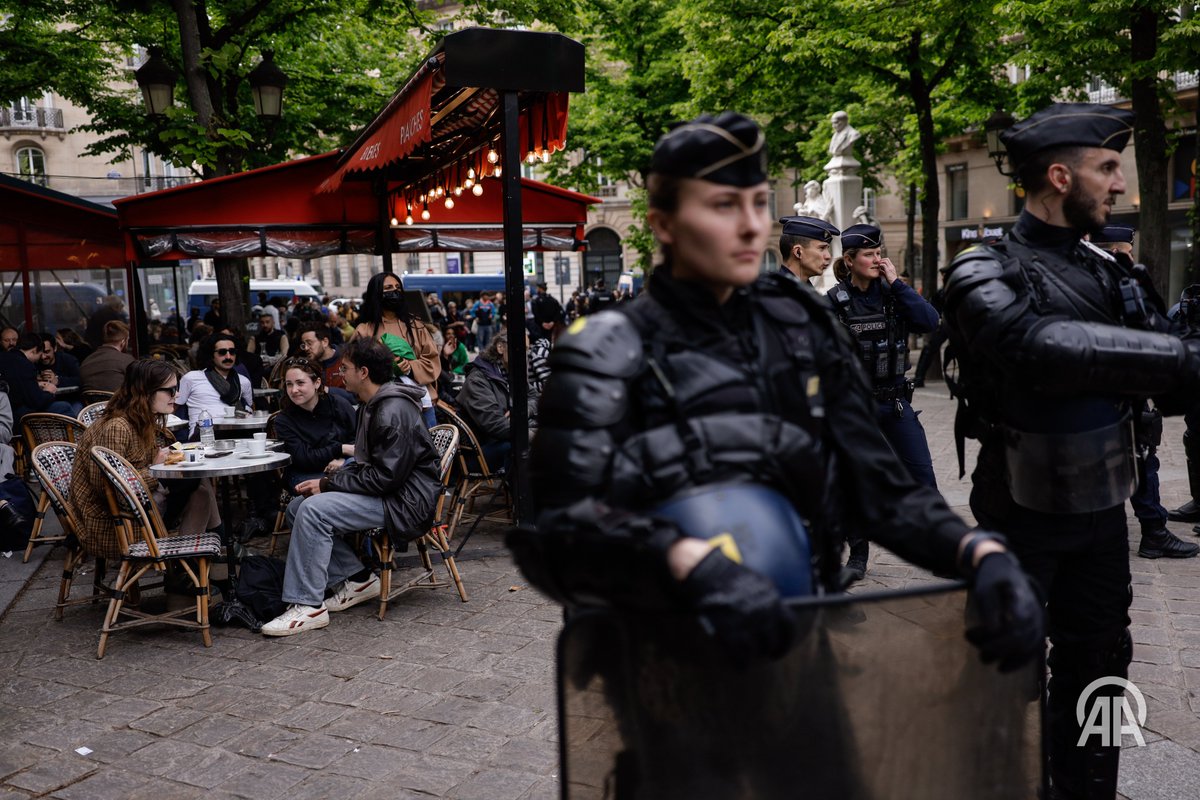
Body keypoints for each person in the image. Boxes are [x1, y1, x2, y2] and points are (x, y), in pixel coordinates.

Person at [520, 111, 1041, 686]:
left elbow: (879, 488)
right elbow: (560, 526)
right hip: (668, 669)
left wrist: (978, 554)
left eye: (758, 203)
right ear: (663, 223)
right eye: (723, 205)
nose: (750, 226)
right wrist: (687, 564)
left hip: (801, 645)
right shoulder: (604, 351)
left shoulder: (803, 327)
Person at [940, 102, 1200, 799]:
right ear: (1060, 175)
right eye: (1107, 168)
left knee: (1106, 665)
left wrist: (1178, 366)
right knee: (1004, 667)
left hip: (1101, 509)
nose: (1119, 183)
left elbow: (1171, 386)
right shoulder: (980, 267)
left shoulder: (1113, 272)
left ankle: (1091, 789)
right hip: (1017, 508)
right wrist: (1177, 358)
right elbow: (1036, 351)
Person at [261, 338, 441, 636]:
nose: (340, 374)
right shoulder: (376, 404)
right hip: (394, 492)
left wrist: (329, 483)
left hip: (404, 501)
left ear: (364, 372)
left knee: (314, 511)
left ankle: (307, 605)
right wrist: (334, 478)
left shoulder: (390, 410)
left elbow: (385, 478)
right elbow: (376, 466)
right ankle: (358, 578)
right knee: (297, 506)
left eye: (345, 368)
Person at [828, 224, 940, 581]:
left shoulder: (894, 295)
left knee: (922, 475)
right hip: (856, 409)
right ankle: (858, 552)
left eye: (880, 253)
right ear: (850, 259)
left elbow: (929, 321)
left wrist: (899, 284)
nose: (878, 260)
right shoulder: (834, 302)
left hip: (895, 404)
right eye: (869, 255)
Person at [1087, 224, 1197, 560]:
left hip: (1094, 394)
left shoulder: (1081, 279)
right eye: (1128, 250)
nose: (1131, 256)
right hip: (1117, 391)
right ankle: (1154, 531)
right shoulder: (1118, 284)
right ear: (1118, 250)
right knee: (1141, 459)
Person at [70, 359, 220, 561]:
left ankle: (189, 568)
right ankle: (193, 565)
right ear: (146, 392)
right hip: (115, 523)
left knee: (198, 484)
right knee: (196, 484)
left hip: (138, 505)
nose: (176, 395)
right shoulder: (118, 427)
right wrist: (155, 468)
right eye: (170, 390)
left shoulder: (140, 420)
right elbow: (112, 489)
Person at [354, 272, 440, 427]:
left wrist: (409, 368)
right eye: (388, 288)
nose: (394, 291)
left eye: (398, 287)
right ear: (377, 293)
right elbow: (355, 369)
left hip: (421, 406)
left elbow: (432, 360)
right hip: (382, 408)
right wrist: (389, 369)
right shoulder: (364, 330)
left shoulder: (416, 326)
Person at [458, 329, 536, 471]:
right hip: (479, 454)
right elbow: (497, 426)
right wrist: (534, 433)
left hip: (503, 440)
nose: (524, 355)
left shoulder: (510, 373)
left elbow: (534, 397)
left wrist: (523, 410)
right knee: (534, 445)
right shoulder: (478, 379)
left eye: (526, 350)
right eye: (520, 348)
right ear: (500, 348)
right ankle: (525, 491)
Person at [273, 357, 356, 489]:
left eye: (300, 383)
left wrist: (342, 459)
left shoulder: (338, 404)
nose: (294, 390)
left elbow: (359, 439)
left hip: (345, 466)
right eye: (289, 384)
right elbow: (304, 459)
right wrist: (341, 449)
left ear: (317, 383)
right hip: (305, 473)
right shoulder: (284, 420)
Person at [175, 332, 252, 436]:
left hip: (237, 432)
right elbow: (175, 408)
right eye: (222, 352)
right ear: (211, 355)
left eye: (232, 352)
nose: (228, 356)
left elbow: (249, 406)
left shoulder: (243, 381)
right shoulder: (191, 378)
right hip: (204, 434)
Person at [0, 332, 78, 419]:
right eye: (40, 354)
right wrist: (49, 392)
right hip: (21, 416)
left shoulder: (4, 357)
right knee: (64, 407)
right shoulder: (25, 365)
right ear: (34, 350)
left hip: (5, 410)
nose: (41, 358)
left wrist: (36, 384)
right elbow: (37, 402)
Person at [777, 216, 839, 283]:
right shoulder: (774, 292)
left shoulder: (802, 289)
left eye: (827, 248)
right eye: (822, 248)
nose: (828, 256)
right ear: (798, 252)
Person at [79, 321, 135, 395]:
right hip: (121, 405)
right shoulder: (127, 360)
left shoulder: (86, 361)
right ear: (123, 341)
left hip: (92, 405)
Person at [296, 322, 346, 393]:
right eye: (304, 345)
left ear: (325, 342)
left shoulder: (346, 360)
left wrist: (327, 390)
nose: (306, 348)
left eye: (309, 343)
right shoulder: (308, 365)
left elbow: (355, 396)